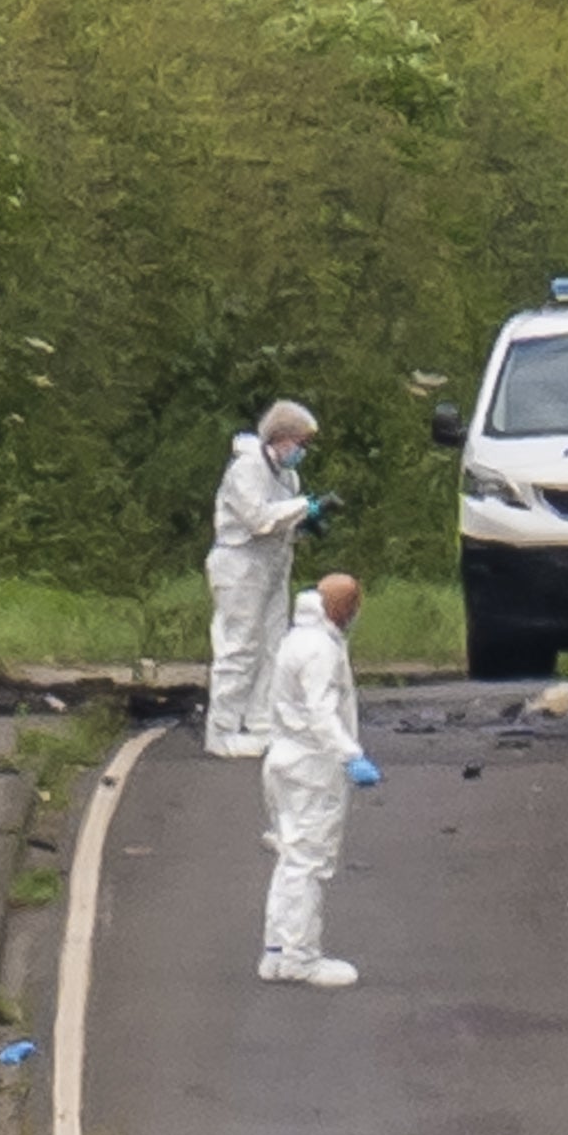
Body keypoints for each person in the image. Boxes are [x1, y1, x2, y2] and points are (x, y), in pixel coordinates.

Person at [257, 570, 378, 987]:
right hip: (311, 765)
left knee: (291, 857)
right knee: (307, 862)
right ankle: (300, 957)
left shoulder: (299, 638)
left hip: (285, 758)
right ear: (343, 609)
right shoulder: (319, 650)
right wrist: (351, 756)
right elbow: (321, 711)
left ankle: (276, 951)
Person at [205, 402, 324, 755]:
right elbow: (257, 518)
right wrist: (304, 507)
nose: (302, 451)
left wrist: (306, 522)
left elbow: (280, 522)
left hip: (271, 566)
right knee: (239, 647)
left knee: (273, 645)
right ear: (282, 437)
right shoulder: (247, 467)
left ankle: (261, 723)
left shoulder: (287, 476)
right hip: (239, 565)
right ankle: (221, 731)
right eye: (300, 442)